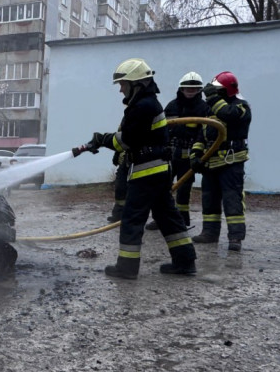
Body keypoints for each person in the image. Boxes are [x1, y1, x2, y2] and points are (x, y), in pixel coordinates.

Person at [81, 59, 196, 279]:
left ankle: (127, 267)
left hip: (147, 172)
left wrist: (101, 139)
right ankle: (185, 261)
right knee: (168, 217)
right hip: (159, 170)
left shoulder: (142, 107)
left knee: (132, 219)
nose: (121, 89)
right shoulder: (149, 103)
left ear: (137, 84)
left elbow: (126, 141)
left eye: (123, 84)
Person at [190, 71, 252, 251]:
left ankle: (235, 237)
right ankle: (209, 233)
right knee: (209, 199)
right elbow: (202, 135)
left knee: (232, 198)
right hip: (211, 163)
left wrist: (211, 97)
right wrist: (196, 156)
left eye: (218, 91)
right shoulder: (210, 110)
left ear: (226, 91)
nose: (215, 95)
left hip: (231, 161)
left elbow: (228, 114)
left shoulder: (241, 107)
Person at [146, 72, 209, 229]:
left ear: (199, 90)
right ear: (181, 89)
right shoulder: (172, 106)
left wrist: (198, 156)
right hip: (170, 154)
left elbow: (205, 134)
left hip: (189, 157)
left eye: (194, 89)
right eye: (187, 88)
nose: (190, 91)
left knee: (183, 191)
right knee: (162, 188)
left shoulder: (204, 109)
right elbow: (162, 129)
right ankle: (160, 219)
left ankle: (181, 220)